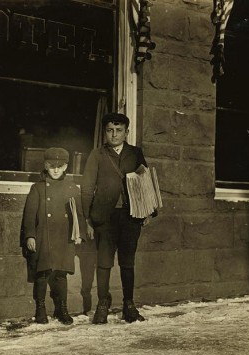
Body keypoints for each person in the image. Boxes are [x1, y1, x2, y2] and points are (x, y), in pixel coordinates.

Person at [81, 112, 155, 324]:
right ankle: (102, 303)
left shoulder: (135, 153)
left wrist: (148, 210)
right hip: (104, 218)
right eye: (110, 130)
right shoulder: (97, 155)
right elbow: (86, 188)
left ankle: (128, 305)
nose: (114, 135)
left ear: (126, 132)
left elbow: (145, 181)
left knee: (127, 262)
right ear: (105, 132)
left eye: (119, 130)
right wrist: (87, 218)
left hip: (131, 216)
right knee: (104, 263)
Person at [21, 147, 86, 325]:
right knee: (42, 274)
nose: (56, 170)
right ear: (45, 166)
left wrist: (80, 233)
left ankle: (62, 309)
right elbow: (29, 215)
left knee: (61, 274)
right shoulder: (38, 188)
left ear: (66, 167)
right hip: (44, 236)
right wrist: (30, 236)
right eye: (51, 166)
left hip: (64, 237)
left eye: (60, 166)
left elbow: (78, 214)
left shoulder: (72, 188)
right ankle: (40, 309)